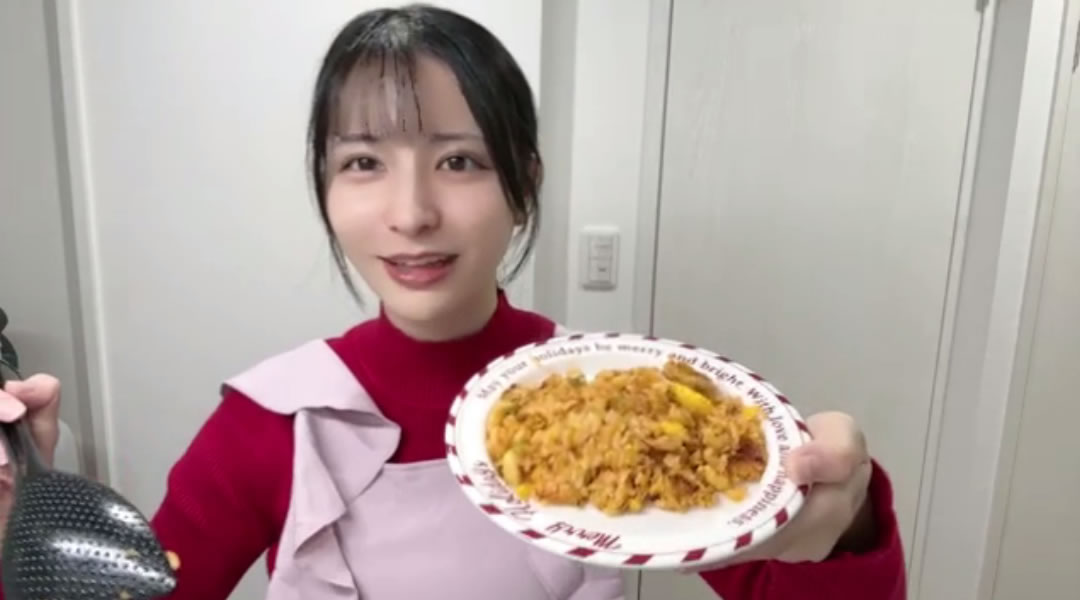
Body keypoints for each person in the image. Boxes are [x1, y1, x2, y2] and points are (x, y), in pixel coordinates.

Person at [0, 5, 905, 599]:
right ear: (325, 188)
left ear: (524, 183)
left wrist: (846, 517)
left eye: (459, 160)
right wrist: (20, 521)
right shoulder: (270, 421)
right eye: (363, 162)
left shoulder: (609, 406)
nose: (411, 213)